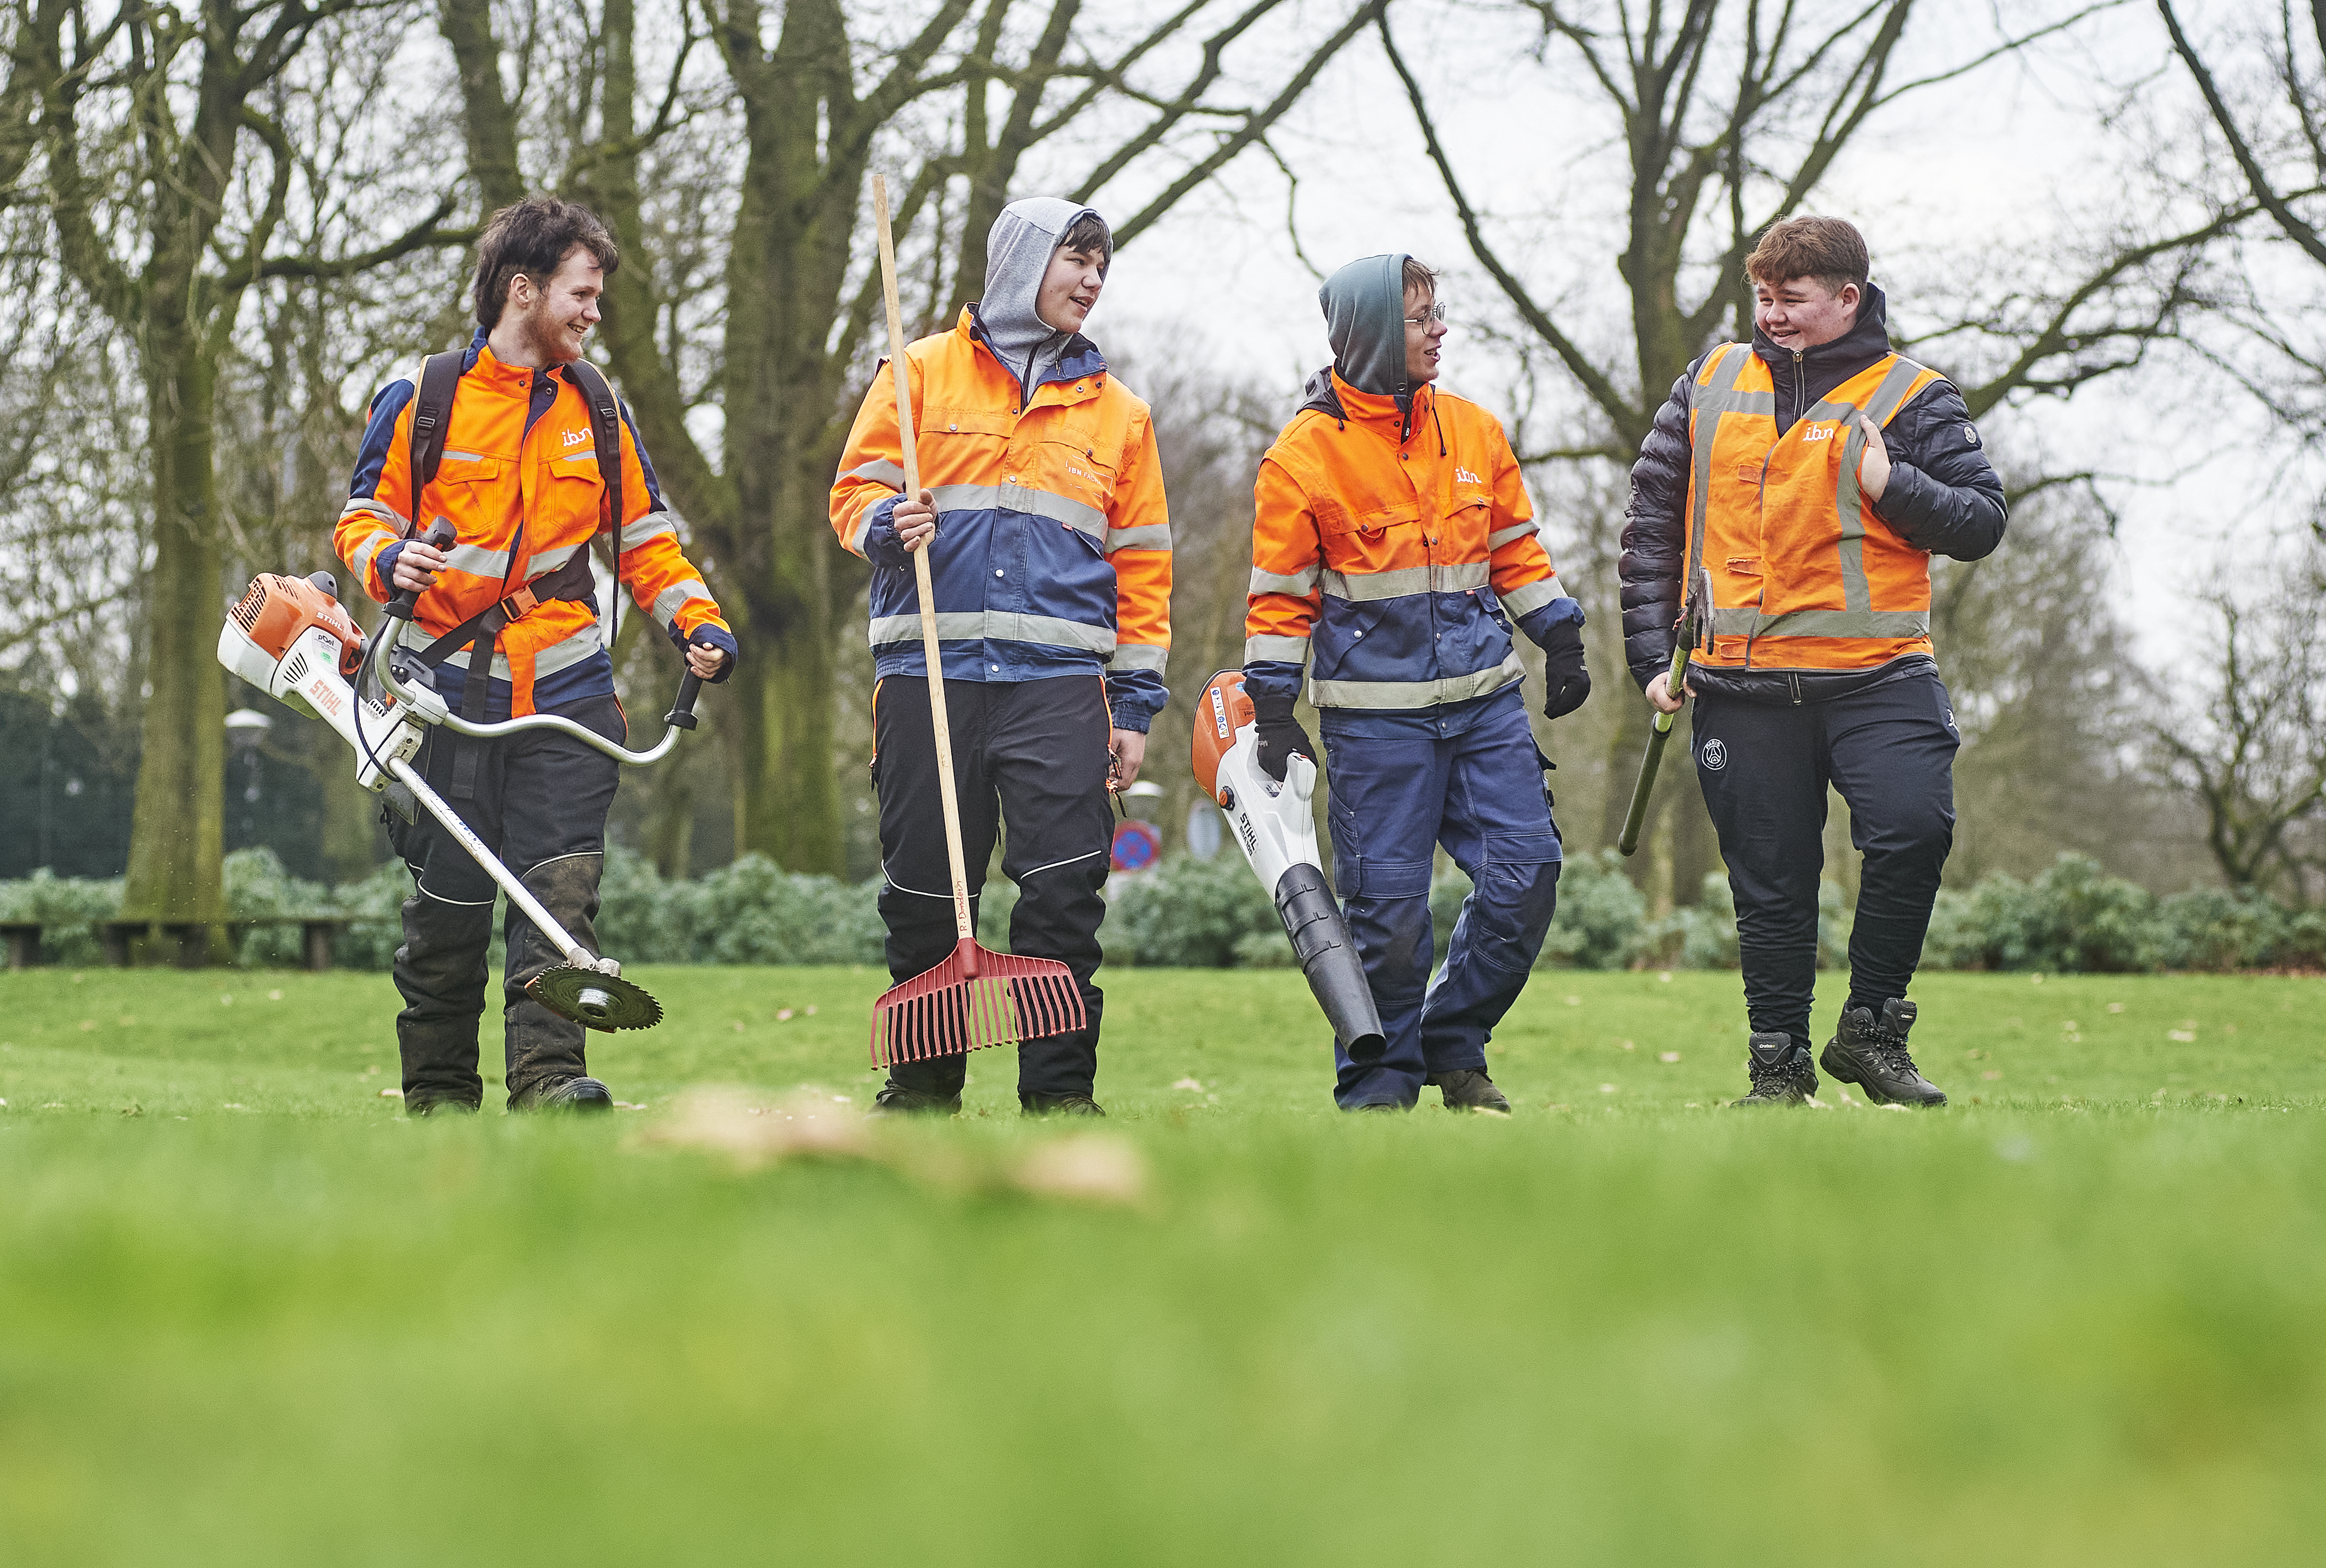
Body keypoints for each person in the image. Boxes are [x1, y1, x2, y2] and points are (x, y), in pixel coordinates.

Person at [336, 196, 738, 1116]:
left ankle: (551, 1083)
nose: (595, 314)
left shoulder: (595, 406)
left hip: (567, 691)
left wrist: (698, 624)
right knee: (447, 912)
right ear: (524, 290)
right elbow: (360, 521)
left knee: (560, 896)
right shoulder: (424, 398)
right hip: (442, 693)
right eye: (582, 294)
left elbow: (646, 541)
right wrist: (390, 559)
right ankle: (439, 1098)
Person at [1618, 215, 2006, 1108]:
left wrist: (1890, 485)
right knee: (1771, 887)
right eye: (1764, 298)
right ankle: (1778, 1074)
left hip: (1880, 678)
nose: (1775, 316)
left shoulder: (1914, 395)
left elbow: (1981, 522)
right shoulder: (1708, 381)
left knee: (1915, 830)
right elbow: (1651, 521)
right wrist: (1651, 654)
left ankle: (1872, 1032)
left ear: (1849, 297)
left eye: (1793, 300)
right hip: (1740, 688)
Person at [831, 198, 1170, 1117]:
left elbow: (1143, 570)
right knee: (923, 897)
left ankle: (1059, 1098)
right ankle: (920, 1093)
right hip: (925, 678)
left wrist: (1134, 709)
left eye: (1102, 266)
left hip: (1059, 692)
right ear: (1023, 263)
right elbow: (853, 493)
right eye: (1078, 260)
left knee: (1064, 896)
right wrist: (883, 527)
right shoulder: (916, 374)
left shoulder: (1121, 415)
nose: (1093, 280)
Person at [1244, 255, 1589, 1113]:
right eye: (1421, 317)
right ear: (1367, 334)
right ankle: (1379, 1090)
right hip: (1375, 727)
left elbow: (1513, 550)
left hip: (1485, 709)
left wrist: (1560, 633)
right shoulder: (1300, 459)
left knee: (1527, 874)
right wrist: (1273, 709)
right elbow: (1279, 600)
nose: (1440, 330)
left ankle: (1450, 1037)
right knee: (1388, 920)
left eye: (1439, 313)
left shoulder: (1473, 430)